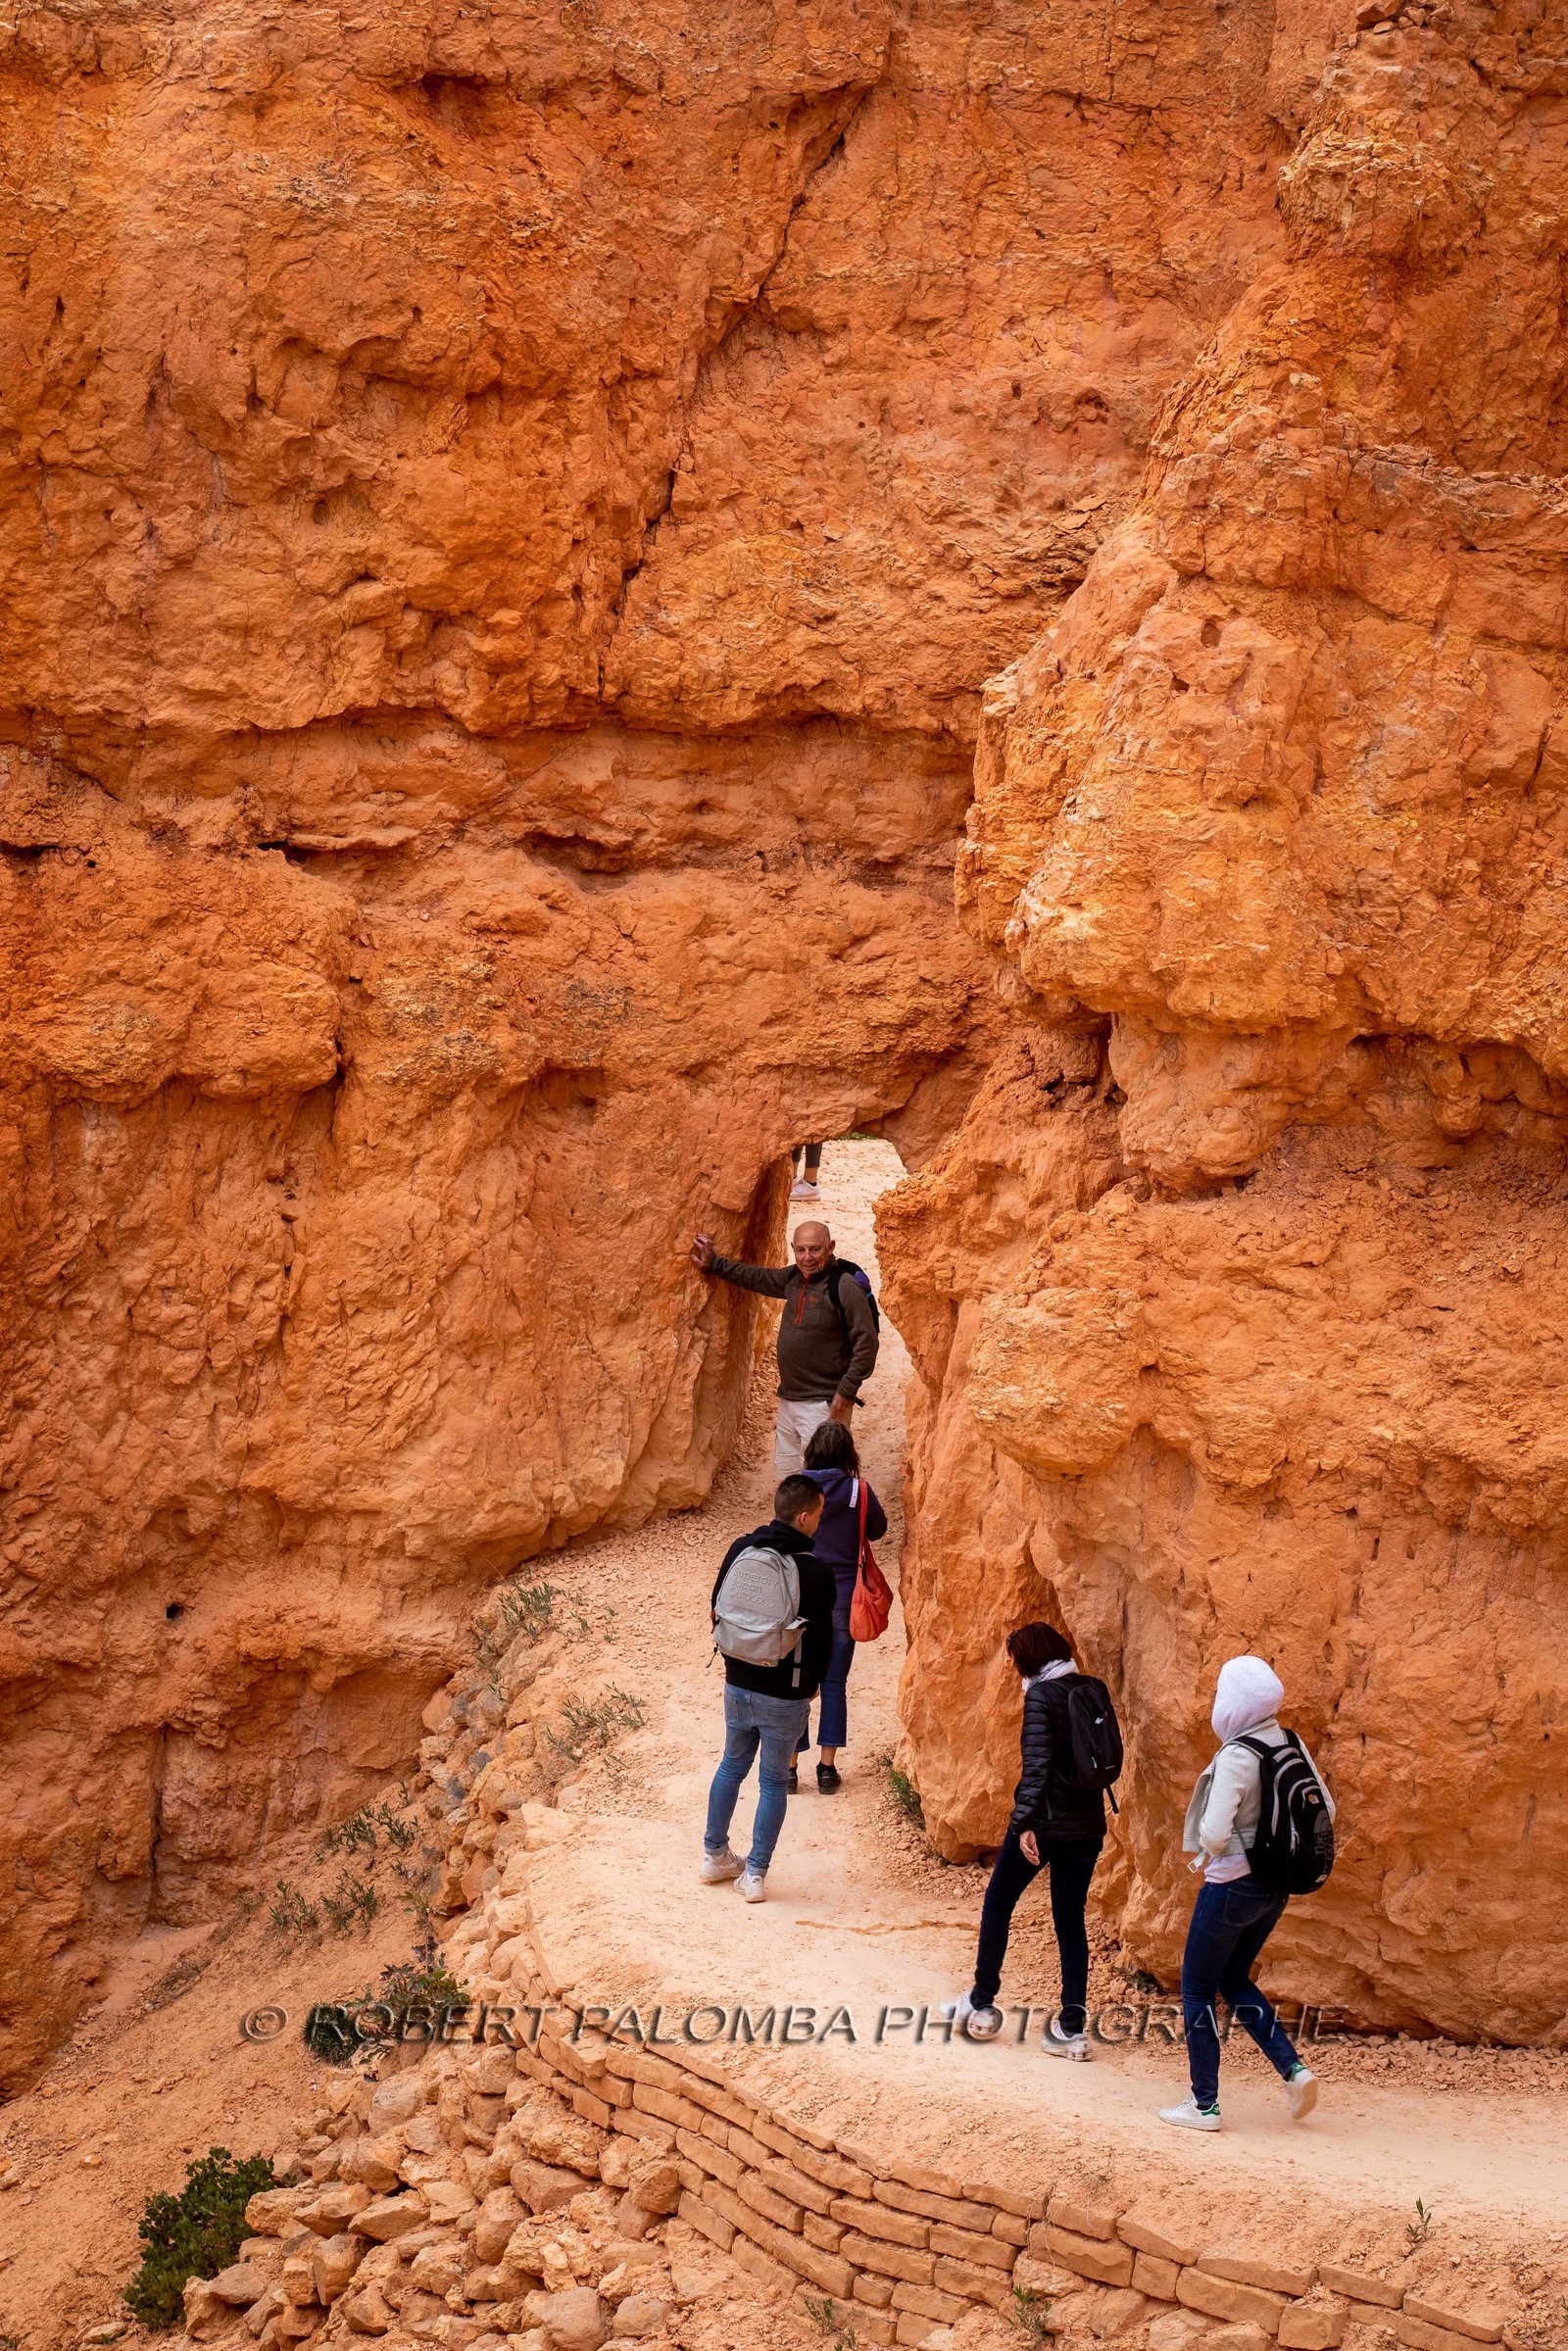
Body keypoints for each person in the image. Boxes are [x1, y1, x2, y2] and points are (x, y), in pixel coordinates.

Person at [1160, 1654, 1334, 2132]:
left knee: (1196, 1988)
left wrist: (1227, 1849)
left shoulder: (1239, 1754)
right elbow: (1328, 1811)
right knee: (1234, 1979)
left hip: (1231, 1887)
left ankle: (1204, 2105)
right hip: (1275, 1889)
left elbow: (1214, 1834)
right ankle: (1294, 2072)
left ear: (1232, 1703)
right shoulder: (1290, 1742)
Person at [942, 1623, 1106, 2057]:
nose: (1014, 1669)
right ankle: (1073, 2031)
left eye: (1016, 1660)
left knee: (998, 1904)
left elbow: (1037, 1767)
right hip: (1088, 1826)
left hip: (1046, 1826)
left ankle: (980, 2004)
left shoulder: (1040, 1696)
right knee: (1070, 1921)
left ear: (1029, 1660)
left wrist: (1023, 1825)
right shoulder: (1092, 1688)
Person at [702, 1475, 837, 1902]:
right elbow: (822, 1640)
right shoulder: (814, 1570)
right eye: (818, 1515)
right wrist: (813, 1685)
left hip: (737, 1682)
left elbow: (717, 1608)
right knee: (774, 1783)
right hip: (786, 1691)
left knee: (729, 1768)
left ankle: (714, 1855)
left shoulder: (741, 1549)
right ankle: (755, 1875)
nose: (820, 1521)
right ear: (803, 1517)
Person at [690, 1219, 878, 1475]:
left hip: (824, 1403)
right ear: (793, 1248)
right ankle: (792, 1517)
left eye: (815, 1249)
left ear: (830, 1247)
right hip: (789, 1398)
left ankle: (832, 1515)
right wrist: (714, 1264)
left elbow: (867, 1344)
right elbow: (758, 1278)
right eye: (800, 1250)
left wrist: (845, 1391)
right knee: (790, 1477)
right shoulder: (794, 1278)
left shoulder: (843, 1287)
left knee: (824, 1477)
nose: (807, 1257)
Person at [788, 1419, 888, 1795]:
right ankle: (827, 1770)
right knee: (834, 1684)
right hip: (846, 1600)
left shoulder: (797, 1489)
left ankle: (790, 1768)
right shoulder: (859, 1491)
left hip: (801, 1598)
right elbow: (877, 1530)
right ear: (848, 1454)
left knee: (797, 1683)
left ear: (812, 1450)